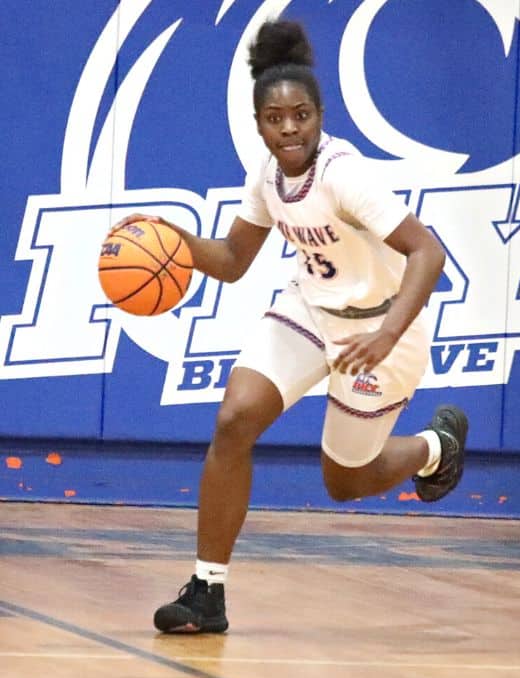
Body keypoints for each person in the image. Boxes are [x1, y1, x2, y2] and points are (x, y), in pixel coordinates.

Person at [108, 18, 468, 635]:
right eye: (276, 120)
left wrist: (384, 338)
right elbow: (232, 261)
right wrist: (171, 241)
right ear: (260, 126)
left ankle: (436, 449)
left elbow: (427, 253)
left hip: (385, 330)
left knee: (344, 480)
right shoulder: (267, 179)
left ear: (319, 114)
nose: (290, 128)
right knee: (233, 419)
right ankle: (206, 593)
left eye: (301, 115)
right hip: (312, 308)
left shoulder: (342, 174)